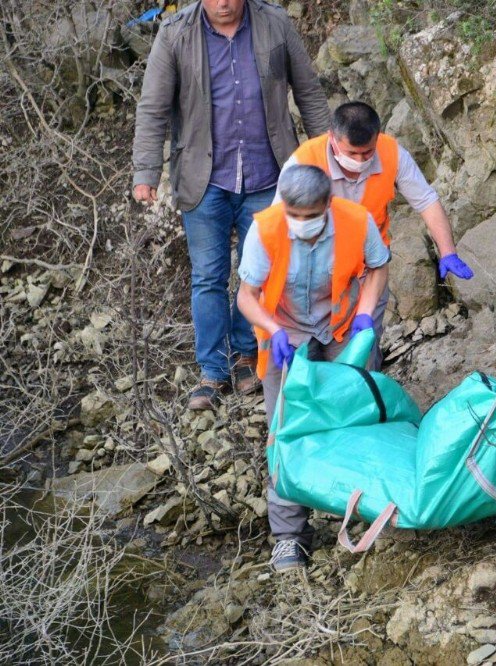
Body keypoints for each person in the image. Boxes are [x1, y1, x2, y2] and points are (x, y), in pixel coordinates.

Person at [131, 0, 330, 410]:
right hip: (204, 177)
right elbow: (152, 107)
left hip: (269, 172)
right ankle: (212, 370)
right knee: (208, 275)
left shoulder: (275, 23)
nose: (223, 3)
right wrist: (145, 172)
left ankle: (246, 355)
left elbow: (308, 90)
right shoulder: (174, 34)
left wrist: (325, 156)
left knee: (257, 271)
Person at [236, 164, 390, 571]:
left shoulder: (356, 221)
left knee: (357, 421)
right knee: (285, 432)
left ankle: (364, 511)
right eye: (295, 215)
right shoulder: (265, 229)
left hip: (340, 329)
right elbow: (246, 296)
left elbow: (377, 267)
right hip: (284, 337)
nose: (301, 223)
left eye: (311, 216)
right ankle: (289, 536)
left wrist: (367, 314)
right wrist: (271, 328)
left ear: (328, 204)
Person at [275, 101, 473, 368]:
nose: (359, 161)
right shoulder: (304, 162)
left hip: (368, 273)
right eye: (351, 153)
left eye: (367, 153)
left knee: (361, 362)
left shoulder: (391, 153)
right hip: (313, 279)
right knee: (307, 366)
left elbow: (426, 200)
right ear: (332, 138)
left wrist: (447, 250)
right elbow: (277, 229)